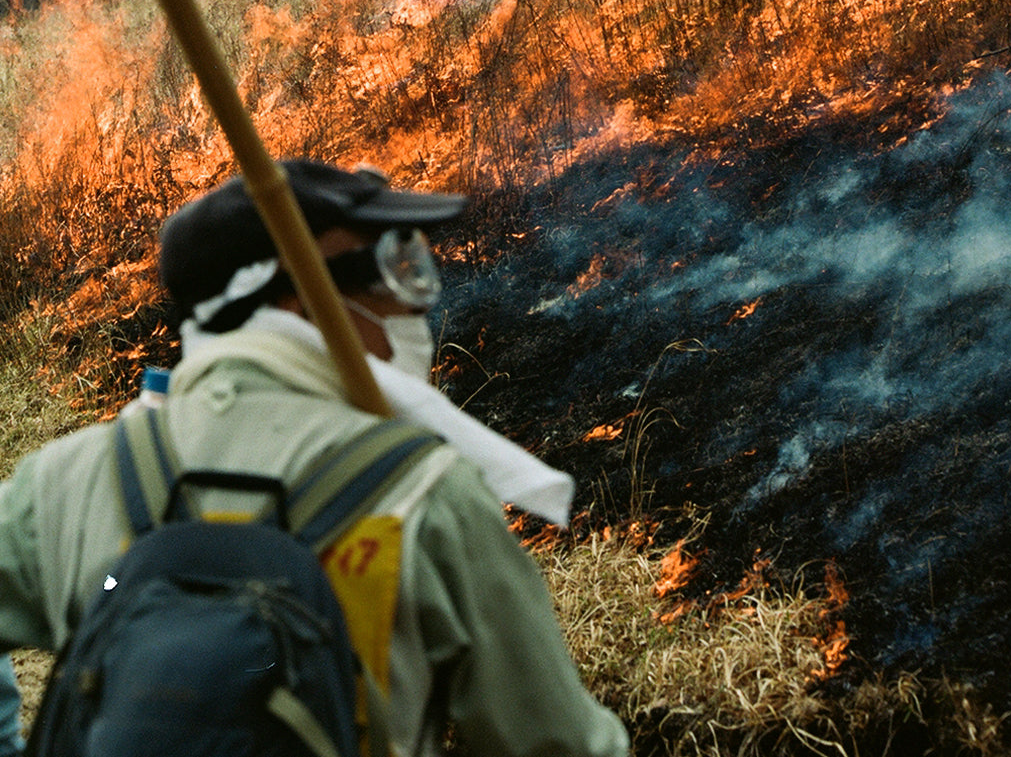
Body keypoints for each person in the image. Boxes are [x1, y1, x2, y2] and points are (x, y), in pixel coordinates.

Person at [0, 160, 628, 757]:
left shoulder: (58, 482)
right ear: (298, 303)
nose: (414, 309)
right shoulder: (429, 493)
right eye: (389, 273)